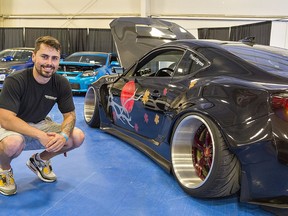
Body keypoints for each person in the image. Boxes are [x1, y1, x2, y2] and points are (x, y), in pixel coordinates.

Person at [0, 36, 85, 196]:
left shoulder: (61, 83)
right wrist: (40, 135)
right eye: (44, 56)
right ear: (34, 56)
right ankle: (4, 170)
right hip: (10, 128)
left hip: (40, 123)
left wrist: (64, 136)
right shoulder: (15, 81)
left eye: (54, 58)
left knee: (77, 136)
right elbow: (6, 119)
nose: (49, 63)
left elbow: (70, 115)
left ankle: (39, 160)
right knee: (13, 143)